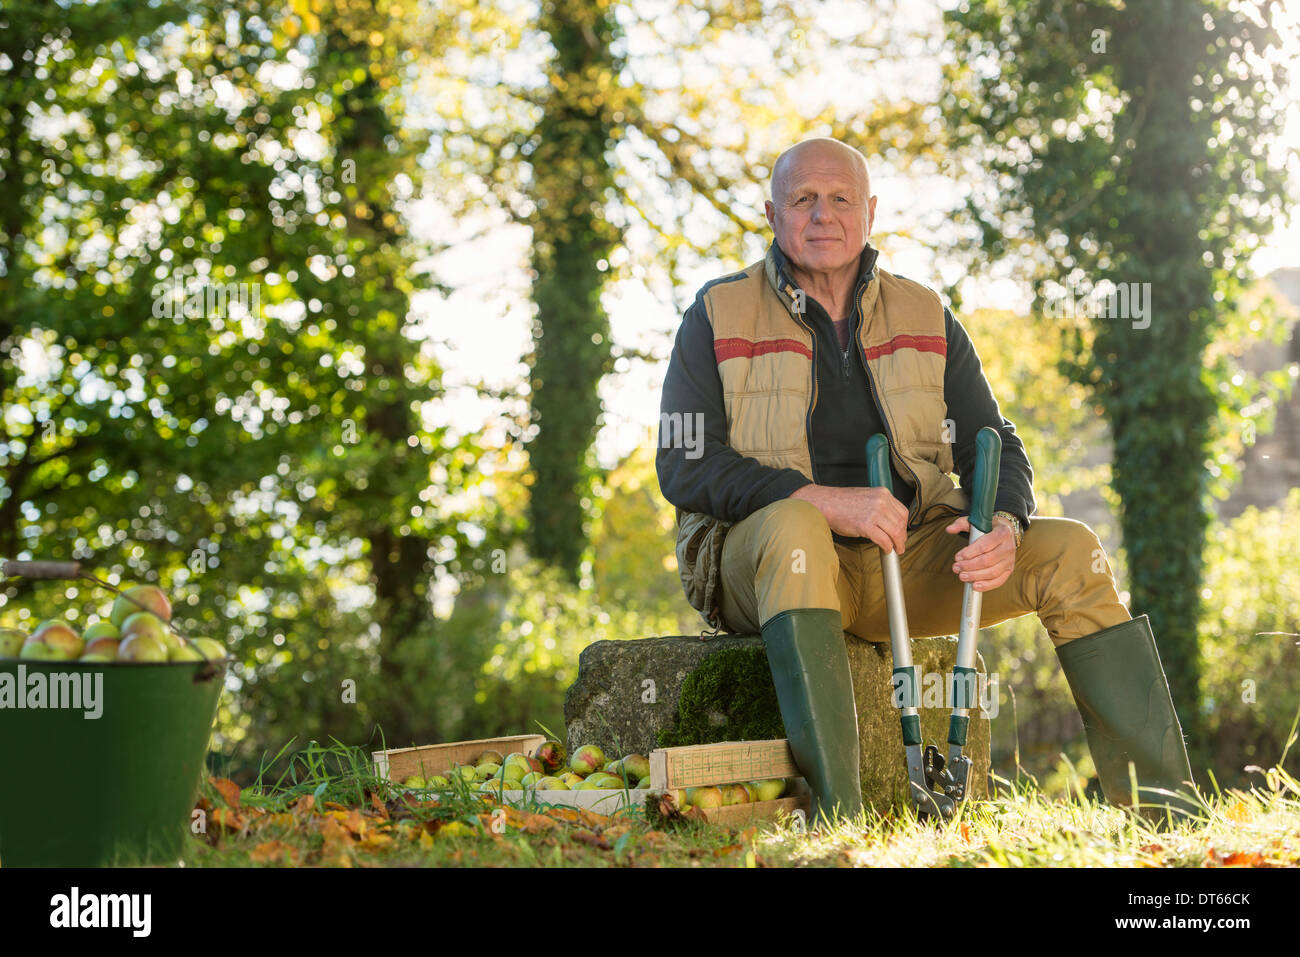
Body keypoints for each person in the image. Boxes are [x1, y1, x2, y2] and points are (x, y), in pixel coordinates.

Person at [655, 137, 1197, 825]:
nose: (824, 214)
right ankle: (840, 821)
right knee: (797, 528)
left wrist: (1005, 523)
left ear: (870, 212)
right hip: (768, 566)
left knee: (1072, 549)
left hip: (902, 561)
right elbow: (684, 462)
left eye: (841, 198)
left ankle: (1167, 812)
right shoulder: (717, 312)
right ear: (771, 213)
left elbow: (992, 441)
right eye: (803, 199)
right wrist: (825, 501)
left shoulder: (925, 313)